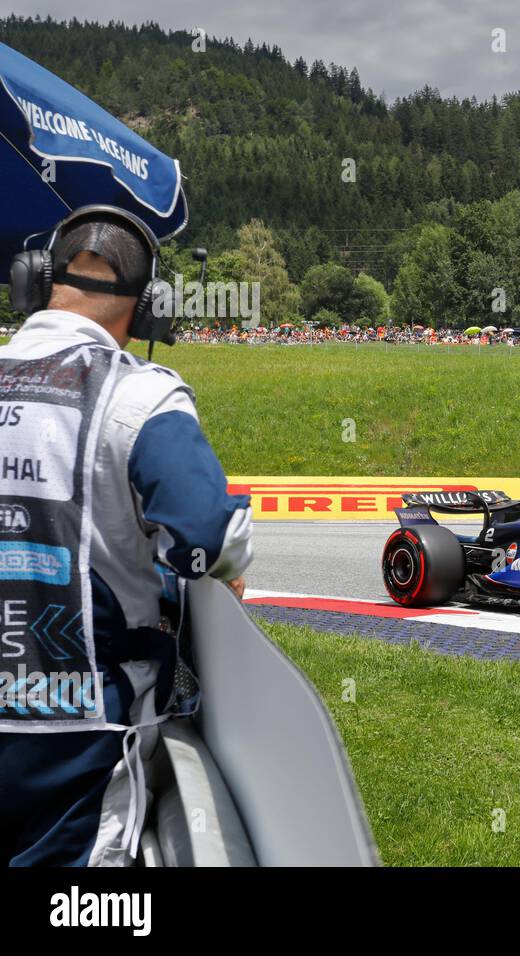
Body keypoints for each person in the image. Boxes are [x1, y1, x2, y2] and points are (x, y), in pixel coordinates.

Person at [0, 206, 253, 866]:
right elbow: (210, 538)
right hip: (81, 731)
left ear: (30, 283)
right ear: (149, 313)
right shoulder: (141, 397)